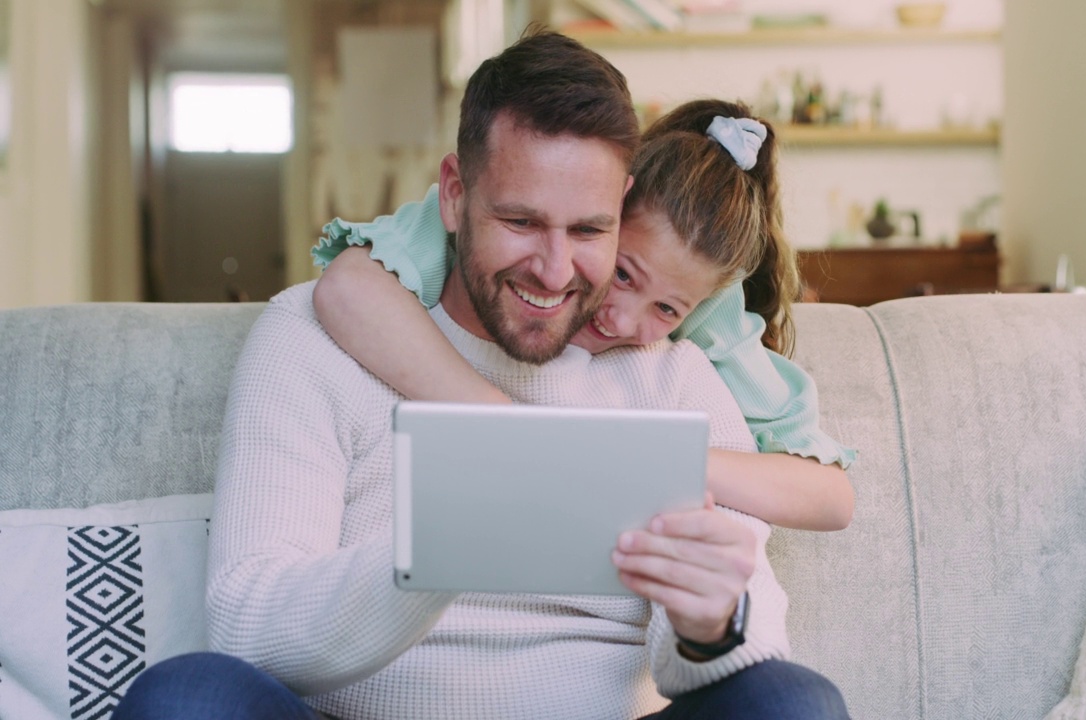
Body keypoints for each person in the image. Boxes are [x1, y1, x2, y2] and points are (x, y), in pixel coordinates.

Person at [112, 29, 848, 720]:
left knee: (792, 702)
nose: (556, 272)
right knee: (187, 697)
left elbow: (738, 637)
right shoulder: (314, 336)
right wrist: (434, 549)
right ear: (455, 196)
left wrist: (708, 625)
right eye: (522, 222)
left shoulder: (675, 375)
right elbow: (249, 623)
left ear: (624, 211)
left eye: (590, 231)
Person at [311, 99, 857, 532]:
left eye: (665, 309)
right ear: (602, 214)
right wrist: (501, 420)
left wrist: (648, 457)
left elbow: (829, 497)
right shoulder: (495, 223)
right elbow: (347, 286)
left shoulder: (700, 300)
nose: (621, 320)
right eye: (621, 273)